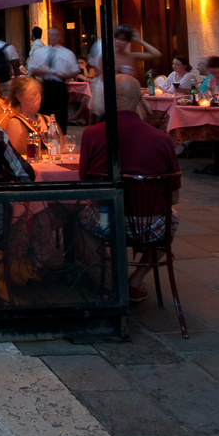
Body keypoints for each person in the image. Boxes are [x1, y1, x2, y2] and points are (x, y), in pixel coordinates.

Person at [77, 74, 181, 300]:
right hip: (149, 225)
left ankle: (109, 278)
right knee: (170, 219)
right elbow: (173, 197)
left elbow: (85, 186)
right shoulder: (162, 140)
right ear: (139, 99)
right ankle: (135, 279)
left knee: (78, 219)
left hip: (107, 222)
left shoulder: (92, 135)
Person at [27, 26, 82, 132]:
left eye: (56, 35)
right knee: (44, 113)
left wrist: (64, 75)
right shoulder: (40, 52)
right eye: (51, 35)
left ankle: (61, 136)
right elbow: (32, 69)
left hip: (59, 86)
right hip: (45, 85)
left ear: (60, 37)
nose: (53, 37)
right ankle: (45, 135)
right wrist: (45, 71)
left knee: (60, 115)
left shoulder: (67, 53)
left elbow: (75, 72)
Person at [2, 76, 61, 159]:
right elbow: (20, 155)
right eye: (33, 95)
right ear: (19, 97)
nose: (38, 98)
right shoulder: (15, 123)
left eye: (39, 94)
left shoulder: (48, 119)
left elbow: (63, 147)